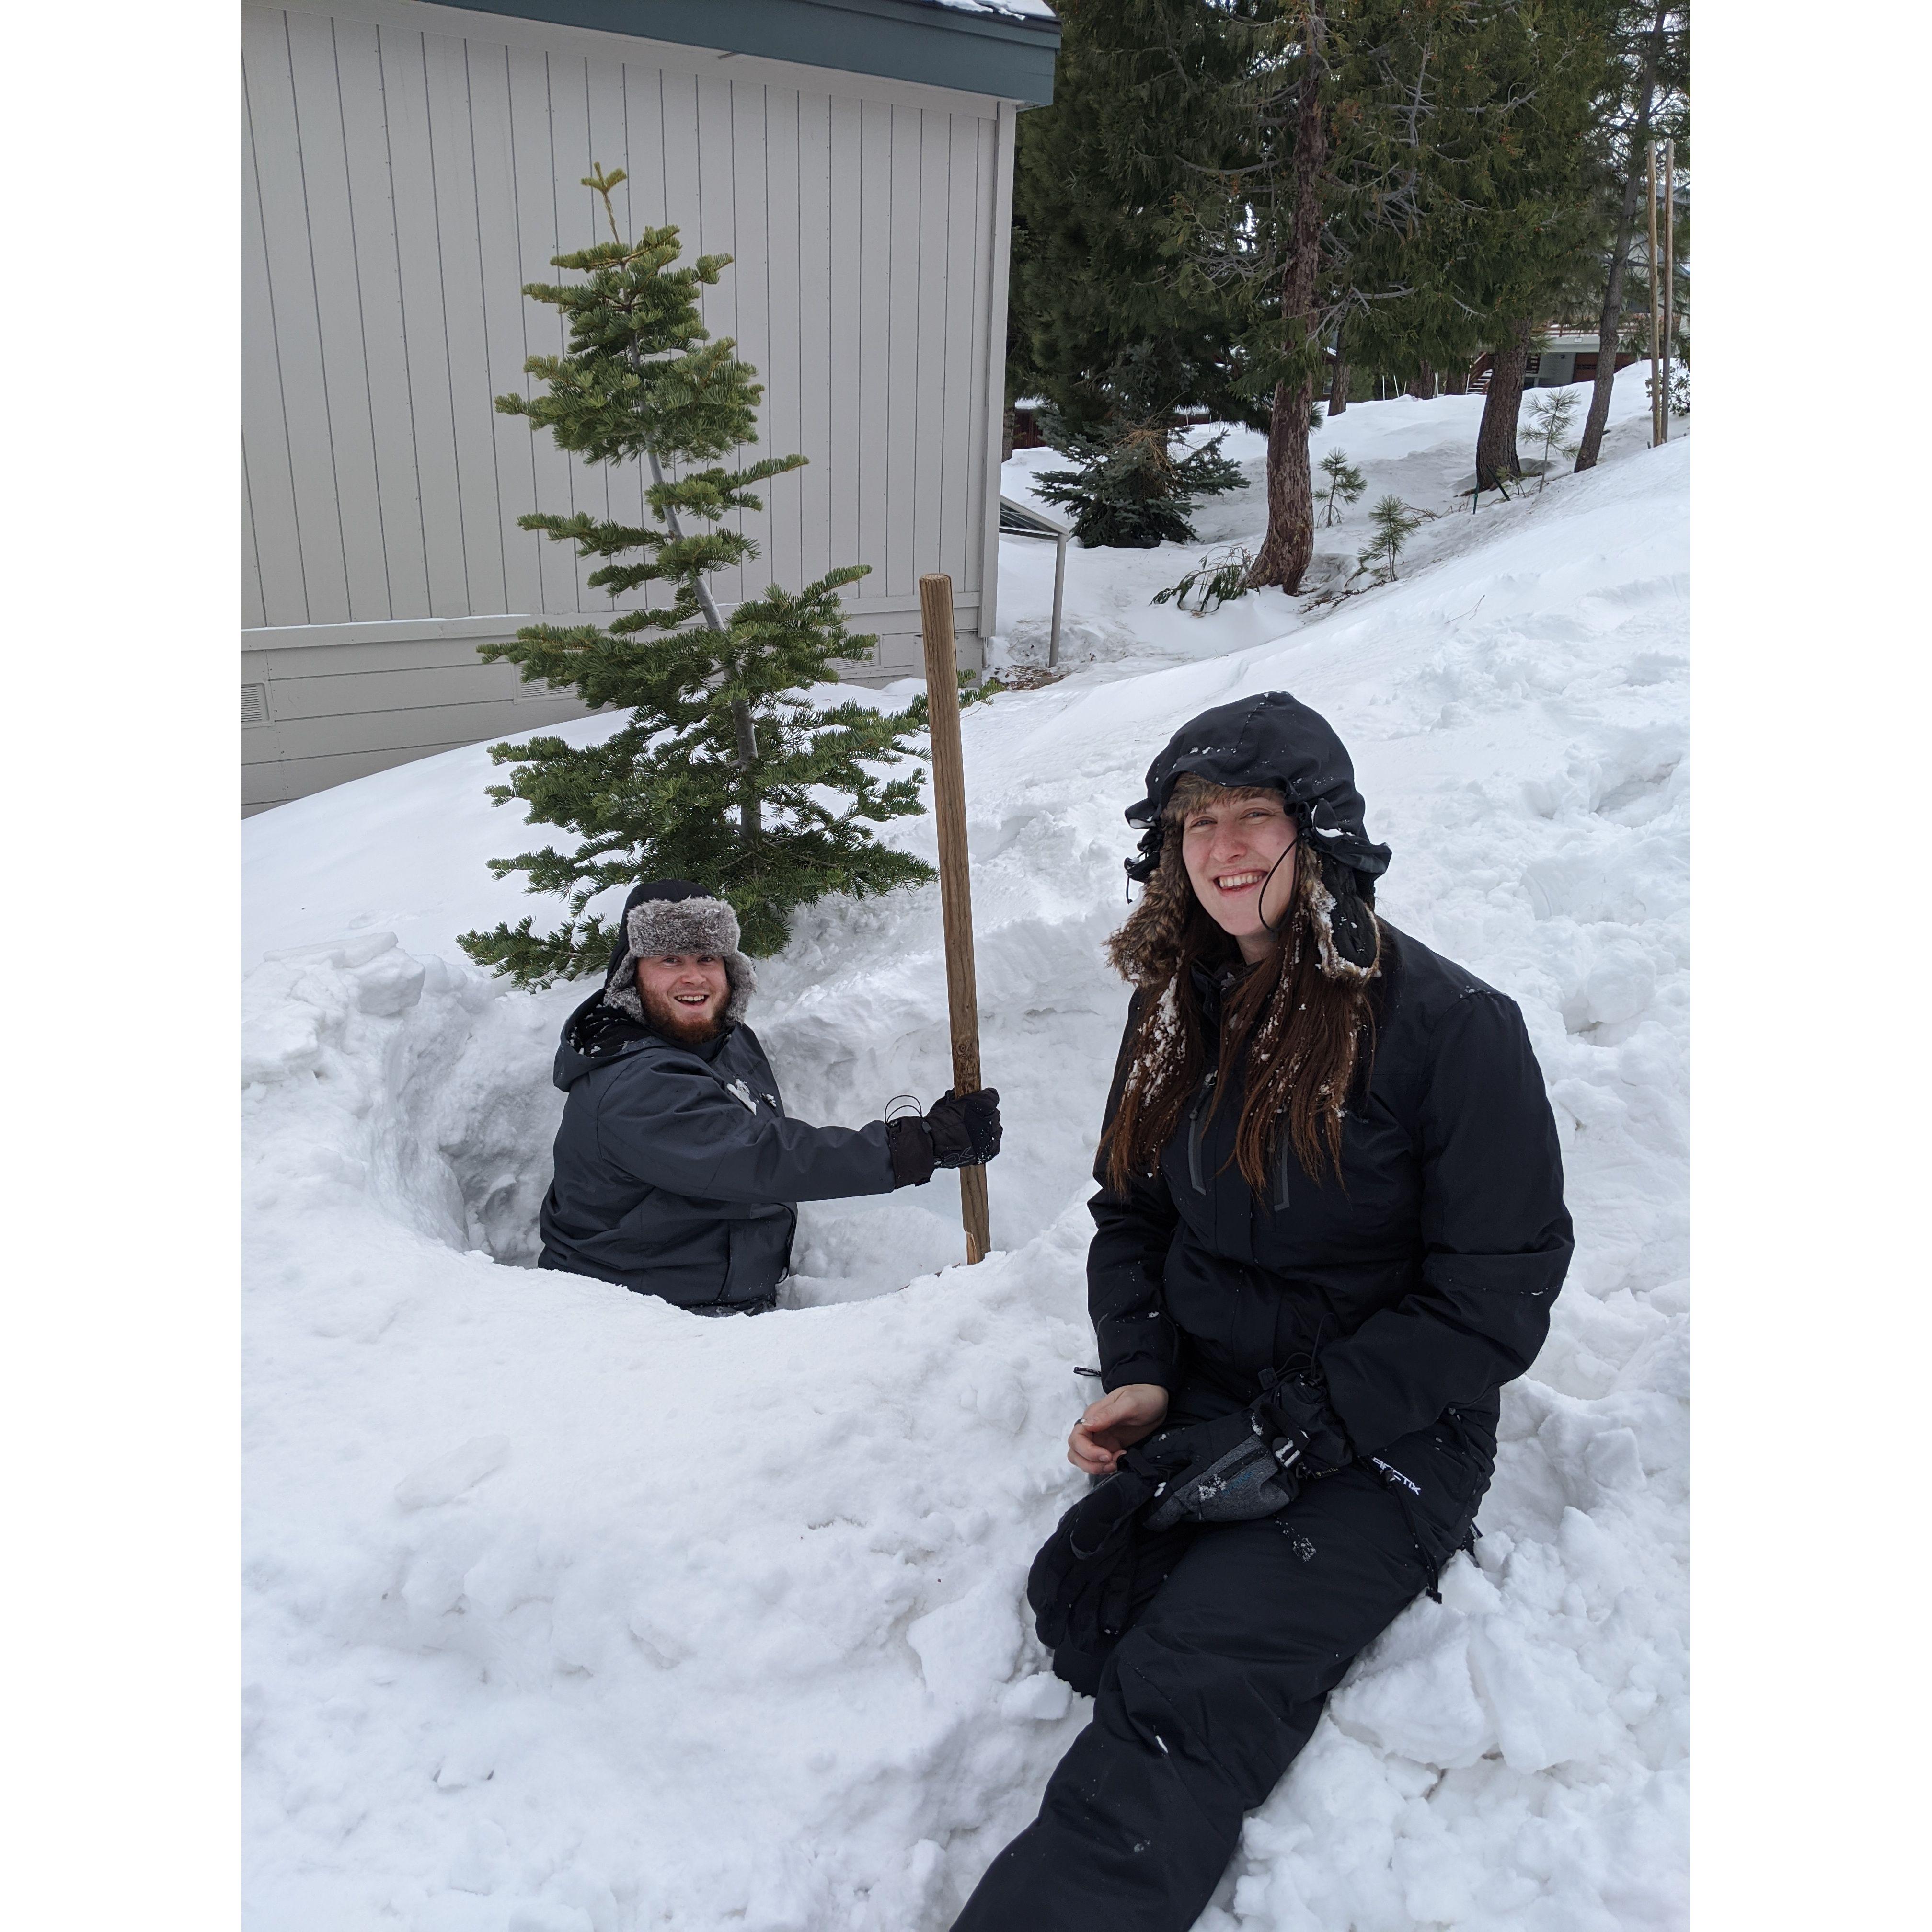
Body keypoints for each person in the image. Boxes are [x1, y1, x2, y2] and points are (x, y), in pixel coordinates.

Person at [951, 692, 1573, 1932]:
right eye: (1198, 823)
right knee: (1082, 1603)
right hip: (1220, 1394)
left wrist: (1302, 1430)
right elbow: (1131, 1214)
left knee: (1184, 1685)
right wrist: (1141, 1369)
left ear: (1319, 831)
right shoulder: (1175, 1004)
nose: (1223, 848)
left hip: (1390, 1431)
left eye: (1254, 816)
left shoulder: (1453, 1030)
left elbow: (1494, 1298)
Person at [538, 878, 1001, 1314]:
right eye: (670, 960)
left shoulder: (723, 1038)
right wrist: (926, 1143)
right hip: (641, 1316)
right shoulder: (633, 1083)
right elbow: (761, 1159)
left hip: (712, 1296)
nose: (693, 977)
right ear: (631, 976)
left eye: (707, 958)